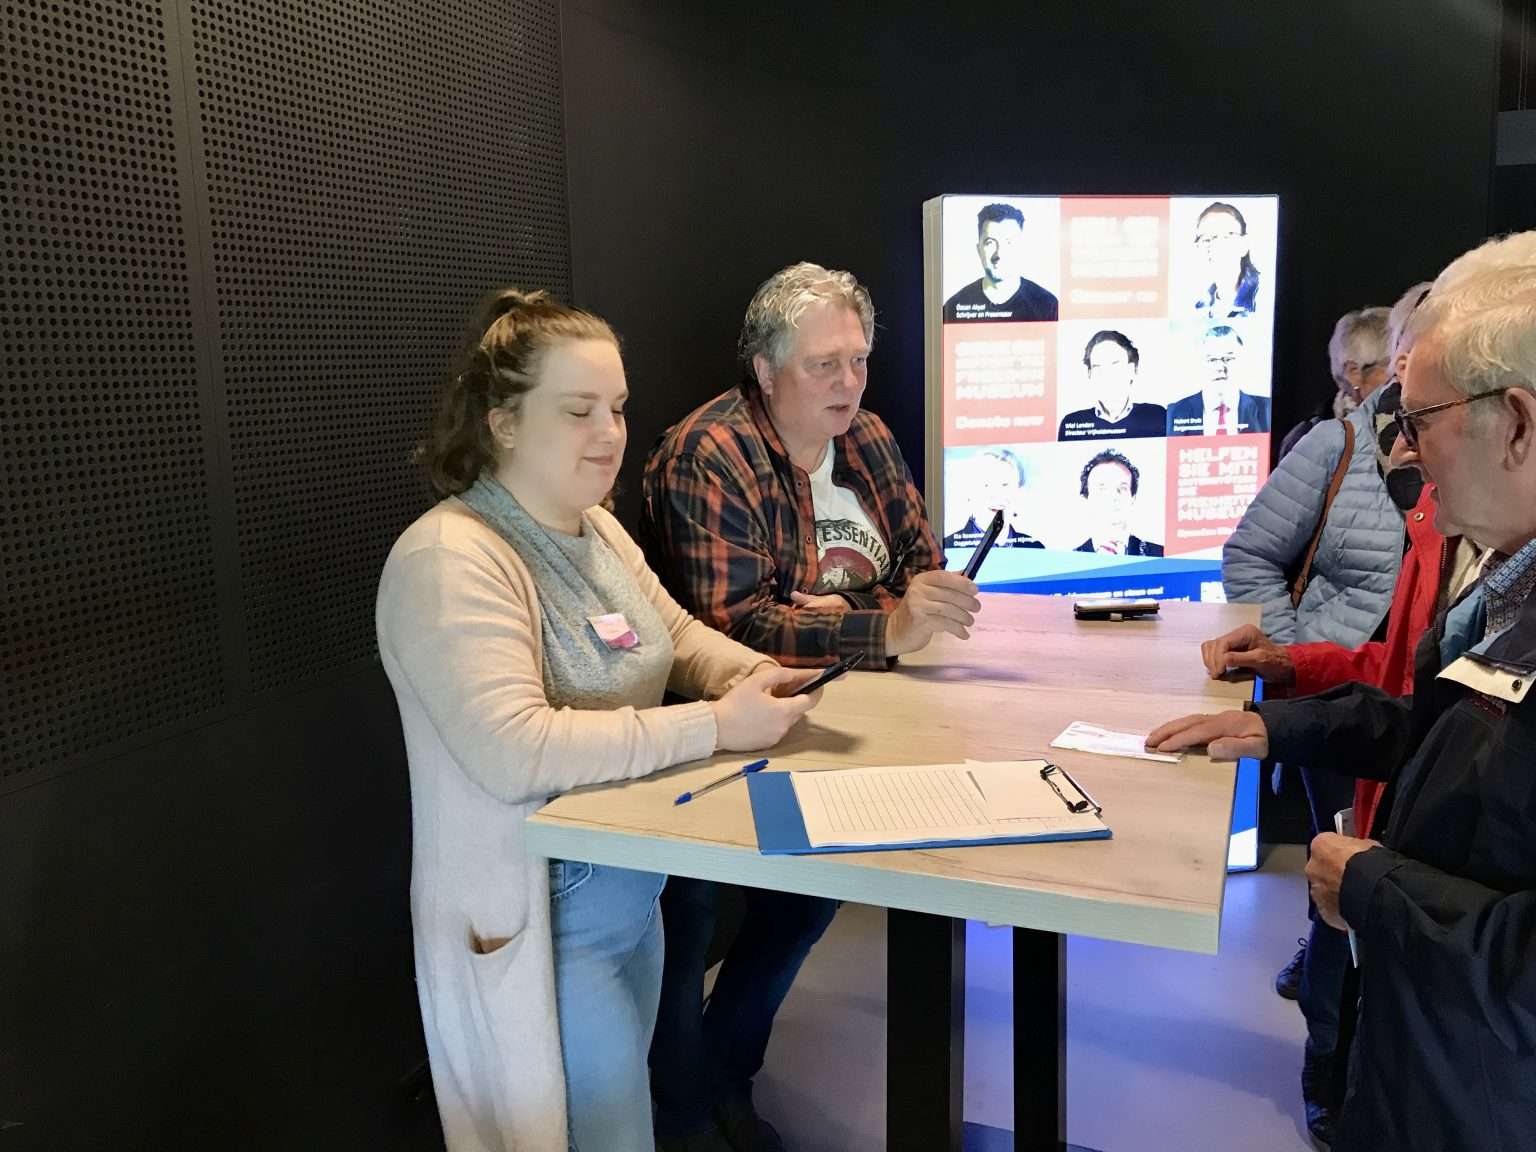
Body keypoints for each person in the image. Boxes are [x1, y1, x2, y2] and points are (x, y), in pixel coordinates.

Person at [375, 290, 823, 1152]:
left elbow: (674, 635)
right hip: (545, 920)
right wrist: (714, 726)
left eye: (616, 407)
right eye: (577, 410)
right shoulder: (449, 558)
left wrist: (751, 674)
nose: (610, 433)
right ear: (504, 423)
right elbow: (516, 749)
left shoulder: (598, 532)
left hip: (630, 897)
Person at [1147, 247, 1536, 1152]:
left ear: (1516, 424)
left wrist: (1373, 888)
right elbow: (1439, 728)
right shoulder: (1506, 584)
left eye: (1421, 419)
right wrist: (1272, 720)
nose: (1404, 450)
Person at [641, 262, 978, 1152]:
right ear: (764, 368)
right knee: (688, 925)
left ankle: (726, 1074)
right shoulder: (708, 453)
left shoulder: (867, 437)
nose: (849, 382)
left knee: (809, 903)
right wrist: (880, 622)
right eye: (824, 364)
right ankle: (680, 1115)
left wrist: (847, 611)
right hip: (715, 738)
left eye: (859, 360)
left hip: (848, 722)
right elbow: (734, 624)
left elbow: (921, 566)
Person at [1277, 306, 1396, 459]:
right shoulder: (1306, 443)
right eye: (1393, 366)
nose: (1404, 375)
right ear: (1354, 373)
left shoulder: (1415, 424)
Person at [942, 202, 1059, 322]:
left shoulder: (1048, 306)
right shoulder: (954, 307)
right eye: (990, 243)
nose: (999, 254)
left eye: (1009, 242)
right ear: (979, 250)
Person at [1056, 330, 1167, 441]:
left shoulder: (1157, 416)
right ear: (1090, 375)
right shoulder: (1072, 423)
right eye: (1098, 367)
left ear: (1132, 370)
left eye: (1115, 365)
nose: (1106, 375)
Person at [1166, 325, 1272, 435]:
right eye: (1211, 360)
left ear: (1242, 361)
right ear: (1200, 363)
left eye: (1228, 359)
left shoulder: (1268, 408)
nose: (1220, 367)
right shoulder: (1175, 411)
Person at [943, 447, 1045, 549]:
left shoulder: (1036, 548)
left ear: (1018, 493)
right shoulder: (948, 547)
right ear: (970, 493)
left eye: (1005, 485)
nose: (997, 495)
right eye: (986, 485)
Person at [1073, 449, 1163, 556]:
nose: (1113, 496)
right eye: (1102, 488)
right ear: (1086, 499)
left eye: (1122, 488)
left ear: (1132, 498)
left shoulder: (1162, 555)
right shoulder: (1068, 562)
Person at [1191, 200, 1261, 317]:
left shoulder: (1265, 296)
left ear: (1244, 245)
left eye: (1226, 236)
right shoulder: (1199, 307)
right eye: (1207, 239)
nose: (1215, 246)